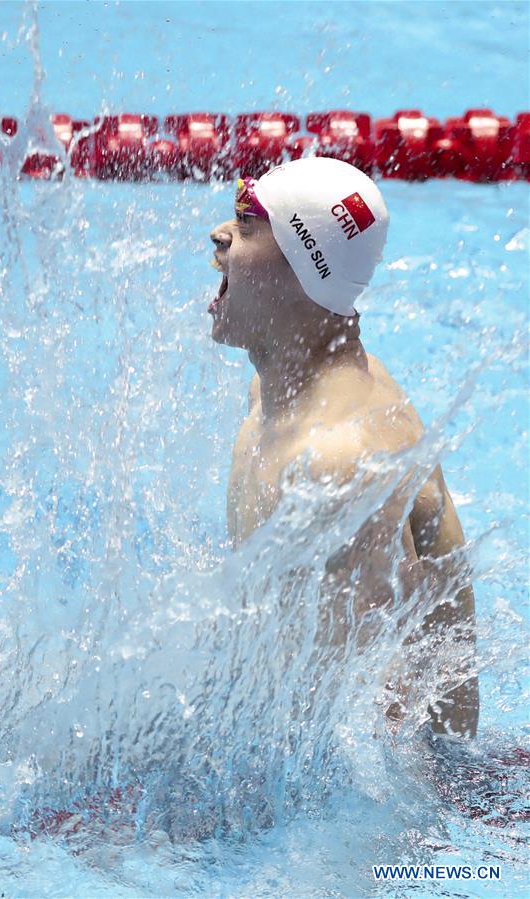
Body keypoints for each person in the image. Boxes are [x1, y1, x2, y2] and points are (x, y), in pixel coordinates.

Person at [208, 157, 478, 738]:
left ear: (304, 271)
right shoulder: (288, 390)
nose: (219, 235)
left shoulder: (336, 465)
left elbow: (365, 727)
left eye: (247, 225)